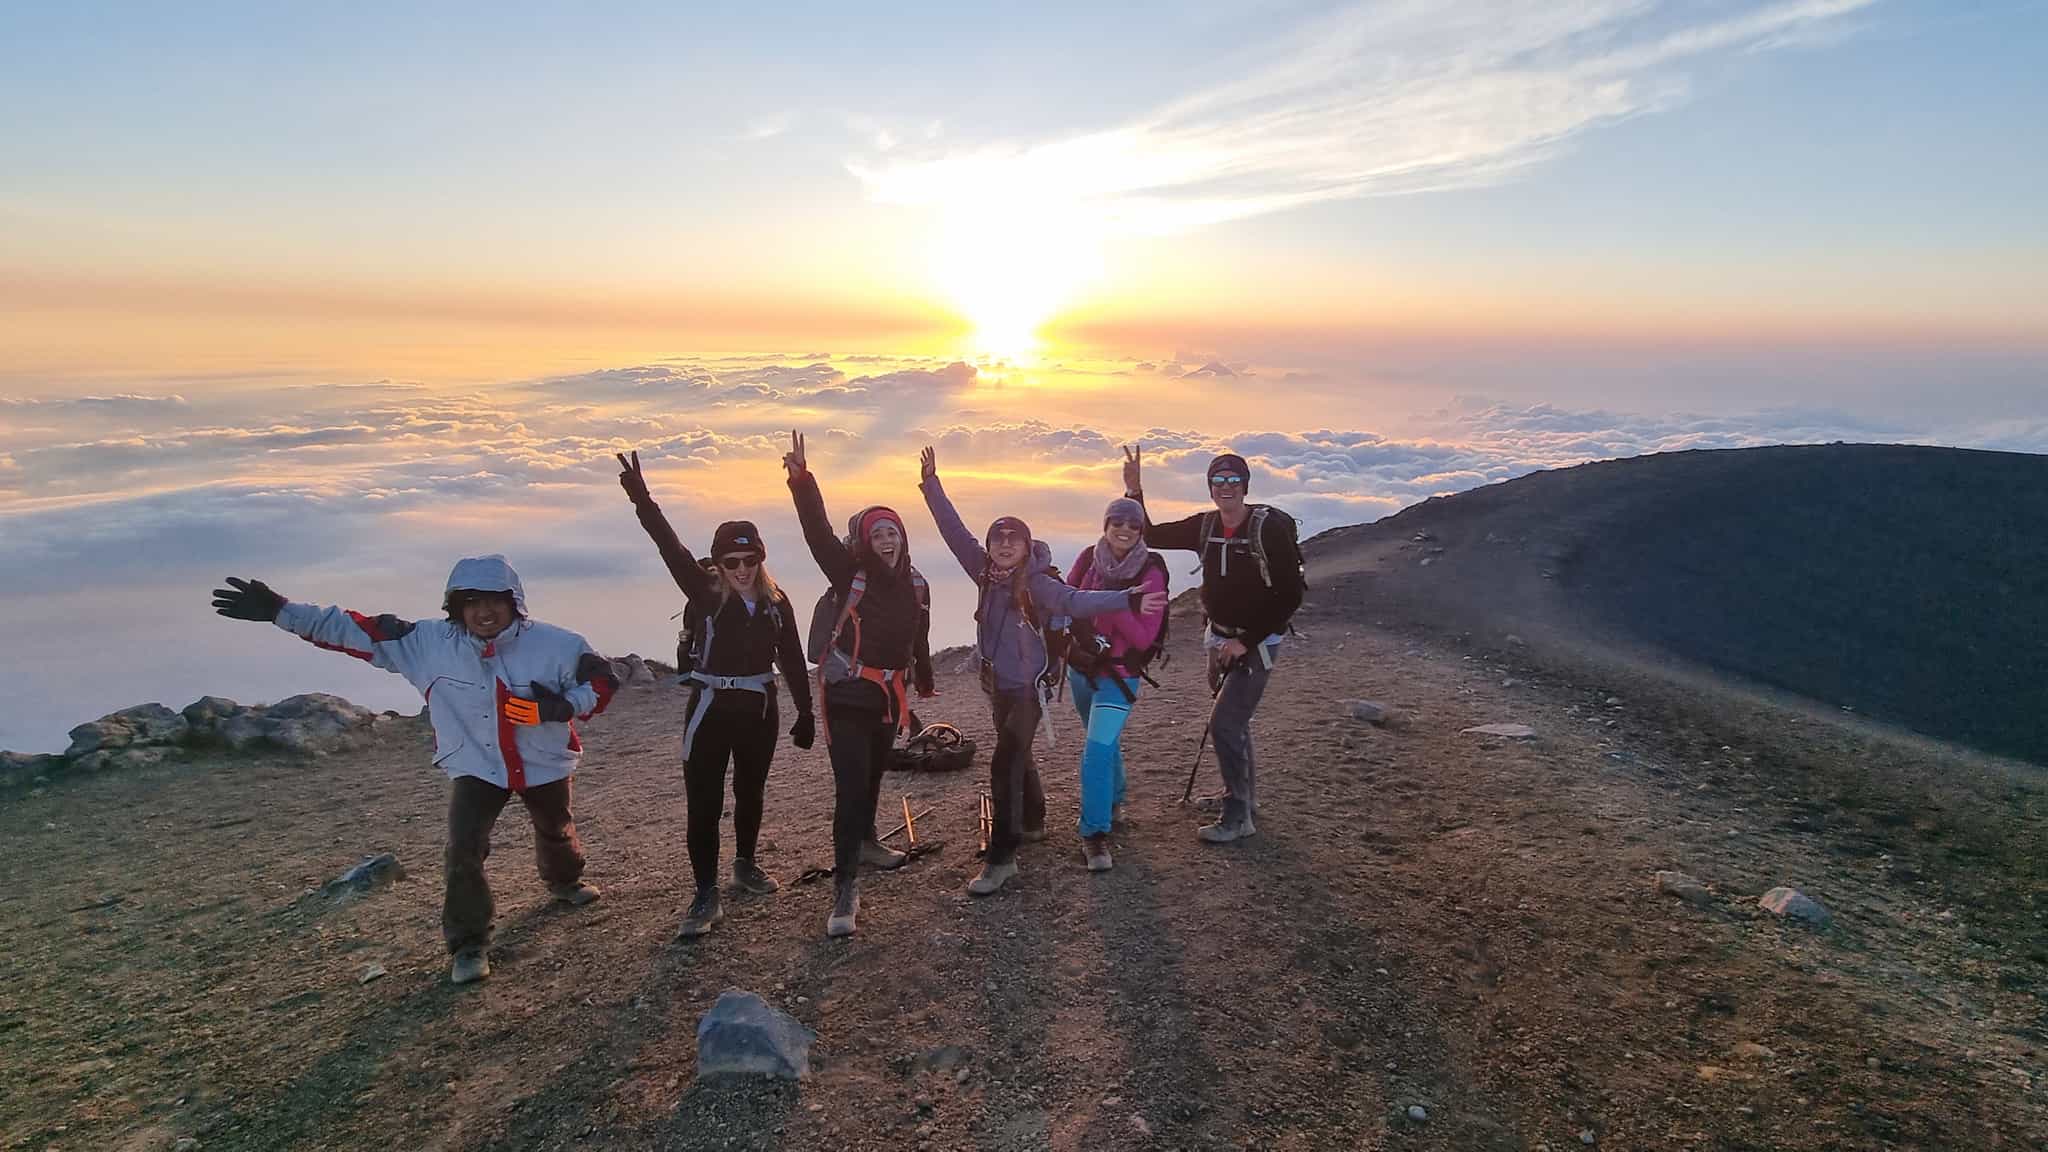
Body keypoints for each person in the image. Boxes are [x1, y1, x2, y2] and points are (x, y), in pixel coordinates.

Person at [209, 556, 618, 985]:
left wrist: (562, 707)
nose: (483, 611)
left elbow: (603, 681)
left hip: (544, 760)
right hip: (475, 764)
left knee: (555, 826)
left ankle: (564, 881)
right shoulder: (423, 642)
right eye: (471, 601)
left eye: (495, 600)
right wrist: (279, 610)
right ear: (454, 607)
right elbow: (352, 628)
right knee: (463, 849)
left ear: (515, 603)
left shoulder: (558, 644)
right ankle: (469, 944)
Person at [919, 446, 1169, 894]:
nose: (1006, 545)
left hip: (1031, 691)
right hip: (996, 683)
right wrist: (932, 485)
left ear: (1026, 545)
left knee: (1004, 764)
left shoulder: (1037, 583)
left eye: (1014, 539)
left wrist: (1127, 598)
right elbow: (953, 531)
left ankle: (1003, 857)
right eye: (999, 539)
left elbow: (1078, 601)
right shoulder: (981, 571)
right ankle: (1034, 821)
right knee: (1016, 757)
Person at [617, 451, 814, 939]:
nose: (742, 569)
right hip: (708, 709)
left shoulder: (777, 602)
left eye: (750, 560)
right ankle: (705, 894)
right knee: (703, 803)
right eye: (732, 561)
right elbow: (670, 547)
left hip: (759, 708)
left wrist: (806, 711)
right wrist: (642, 498)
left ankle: (744, 865)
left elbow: (790, 657)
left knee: (750, 791)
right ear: (719, 562)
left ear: (761, 559)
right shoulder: (703, 592)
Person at [784, 430, 935, 937]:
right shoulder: (850, 574)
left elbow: (918, 633)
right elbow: (817, 535)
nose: (887, 541)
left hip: (888, 697)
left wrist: (925, 679)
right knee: (851, 786)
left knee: (871, 777)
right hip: (847, 691)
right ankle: (845, 887)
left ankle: (868, 843)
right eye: (877, 535)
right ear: (865, 542)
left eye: (892, 532)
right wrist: (803, 482)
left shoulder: (916, 583)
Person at [1121, 445, 1304, 845]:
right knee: (1234, 724)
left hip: (1254, 644)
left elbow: (1291, 595)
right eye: (1218, 481)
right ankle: (1244, 800)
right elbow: (1151, 535)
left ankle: (1237, 816)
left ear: (1245, 485)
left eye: (1233, 480)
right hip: (1217, 639)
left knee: (1225, 723)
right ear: (1209, 487)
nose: (1225, 487)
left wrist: (1245, 641)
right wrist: (1134, 491)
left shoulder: (1266, 529)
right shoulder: (1205, 526)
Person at [1063, 495, 1170, 871]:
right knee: (1104, 744)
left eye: (1132, 525)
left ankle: (1094, 834)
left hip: (1120, 678)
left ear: (1141, 531)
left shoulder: (1152, 572)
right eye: (1117, 522)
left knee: (1095, 752)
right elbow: (1067, 601)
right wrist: (1124, 601)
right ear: (1105, 526)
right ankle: (1116, 797)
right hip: (1082, 670)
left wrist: (1108, 604)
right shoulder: (1086, 559)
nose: (1124, 530)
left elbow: (1143, 639)